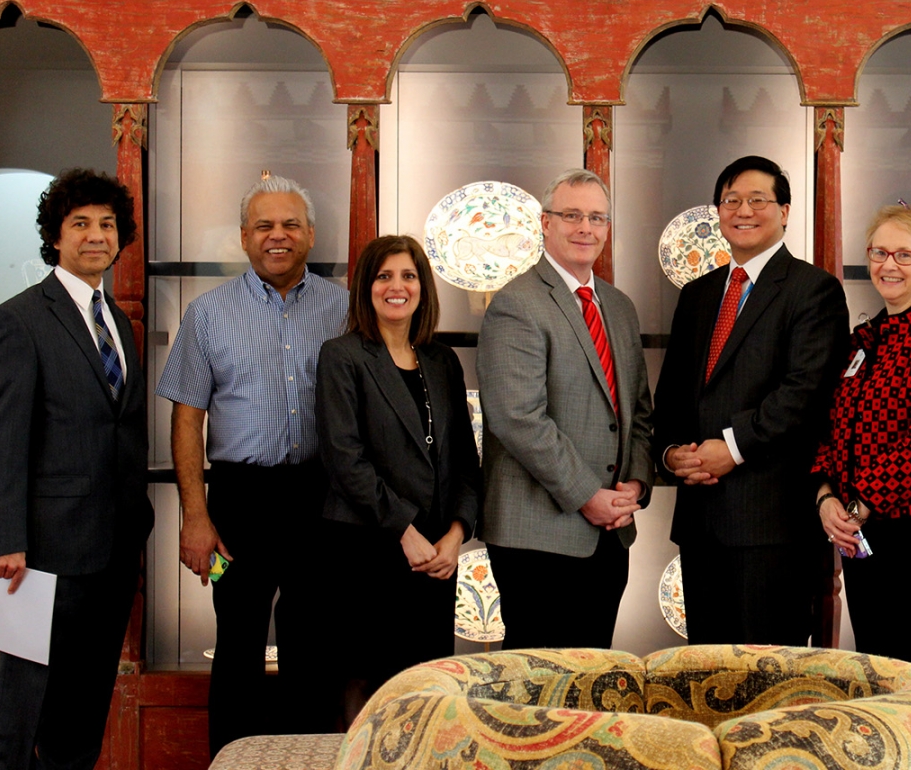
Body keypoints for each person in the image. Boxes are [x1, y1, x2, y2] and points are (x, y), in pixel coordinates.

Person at [155, 174, 346, 756]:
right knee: (236, 641)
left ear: (310, 234)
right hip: (236, 501)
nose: (278, 236)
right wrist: (194, 517)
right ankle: (231, 762)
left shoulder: (345, 310)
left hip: (322, 498)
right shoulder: (207, 314)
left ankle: (308, 764)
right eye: (264, 225)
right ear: (244, 237)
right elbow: (187, 420)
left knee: (312, 644)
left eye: (290, 224)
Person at [653, 155, 850, 646]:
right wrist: (673, 452)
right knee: (705, 671)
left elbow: (803, 392)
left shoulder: (813, 290)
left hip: (773, 523)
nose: (744, 210)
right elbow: (674, 390)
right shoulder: (697, 294)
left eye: (758, 200)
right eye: (731, 200)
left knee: (770, 679)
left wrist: (731, 447)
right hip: (701, 520)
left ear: (784, 211)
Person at [0, 169, 153, 770]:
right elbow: (6, 440)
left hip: (113, 552)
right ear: (55, 237)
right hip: (40, 557)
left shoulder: (116, 319)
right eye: (80, 224)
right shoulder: (20, 320)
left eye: (107, 225)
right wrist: (7, 539)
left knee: (84, 707)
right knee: (23, 709)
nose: (96, 236)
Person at [477, 169, 654, 650]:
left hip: (611, 533)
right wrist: (587, 496)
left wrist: (634, 486)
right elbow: (519, 419)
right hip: (538, 535)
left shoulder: (617, 306)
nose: (585, 228)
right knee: (540, 689)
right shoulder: (516, 303)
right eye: (571, 215)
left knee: (593, 679)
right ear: (545, 222)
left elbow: (637, 408)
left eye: (597, 217)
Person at [316, 235, 480, 708]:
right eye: (384, 276)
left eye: (408, 276)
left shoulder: (442, 360)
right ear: (366, 287)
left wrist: (456, 533)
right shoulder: (342, 356)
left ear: (422, 287)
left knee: (428, 685)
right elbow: (345, 460)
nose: (397, 286)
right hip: (367, 547)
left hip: (435, 556)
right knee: (366, 683)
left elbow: (465, 460)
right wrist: (404, 532)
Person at [812, 204, 911, 676]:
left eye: (906, 254)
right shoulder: (861, 338)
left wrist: (863, 501)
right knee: (875, 662)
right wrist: (826, 497)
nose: (890, 264)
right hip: (858, 527)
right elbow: (829, 427)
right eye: (880, 252)